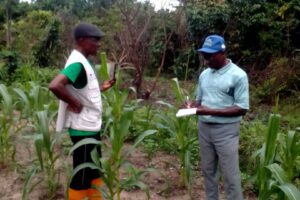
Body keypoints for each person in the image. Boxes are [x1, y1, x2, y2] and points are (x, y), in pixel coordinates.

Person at [49, 22, 115, 200]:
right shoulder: (77, 64)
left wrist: (102, 87)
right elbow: (55, 85)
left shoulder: (84, 62)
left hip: (90, 126)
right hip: (83, 129)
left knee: (93, 170)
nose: (98, 44)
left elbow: (84, 92)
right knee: (82, 175)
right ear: (81, 40)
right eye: (95, 40)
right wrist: (74, 103)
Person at [187, 35, 249, 200]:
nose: (206, 60)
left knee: (230, 175)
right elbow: (199, 101)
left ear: (222, 53)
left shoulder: (238, 75)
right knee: (208, 171)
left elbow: (242, 108)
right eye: (203, 56)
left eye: (209, 56)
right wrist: (191, 106)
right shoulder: (204, 75)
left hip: (226, 131)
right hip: (204, 129)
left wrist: (210, 111)